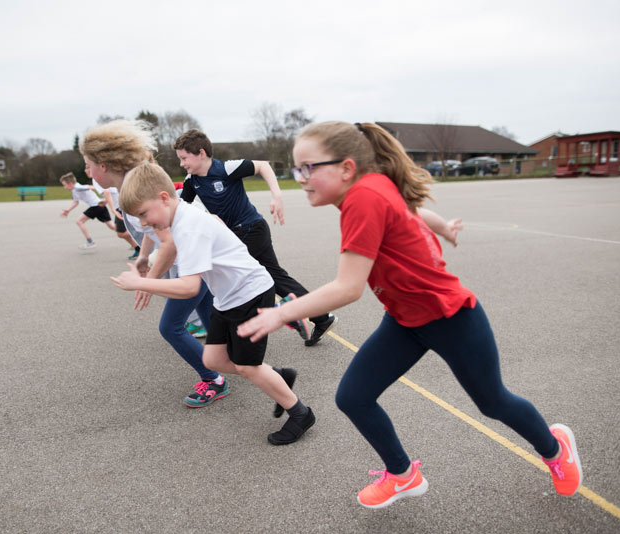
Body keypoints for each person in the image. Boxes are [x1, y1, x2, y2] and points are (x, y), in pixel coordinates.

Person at [237, 121, 582, 507]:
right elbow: (410, 211)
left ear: (347, 168)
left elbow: (348, 287)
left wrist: (281, 313)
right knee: (354, 396)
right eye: (296, 168)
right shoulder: (371, 188)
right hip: (405, 321)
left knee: (493, 402)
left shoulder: (362, 199)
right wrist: (443, 226)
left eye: (308, 168)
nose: (300, 178)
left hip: (451, 318)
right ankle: (402, 475)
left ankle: (555, 449)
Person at [112, 162, 315, 445]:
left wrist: (141, 282)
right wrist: (150, 271)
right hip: (228, 296)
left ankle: (300, 413)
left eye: (144, 214)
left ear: (163, 198)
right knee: (213, 359)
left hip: (250, 294)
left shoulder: (190, 226)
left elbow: (189, 287)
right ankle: (277, 376)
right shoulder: (180, 216)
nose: (144, 222)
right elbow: (179, 244)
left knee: (248, 366)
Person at [80, 119, 227, 407]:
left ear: (104, 164)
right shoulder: (134, 183)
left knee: (170, 327)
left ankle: (213, 378)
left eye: (88, 164)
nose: (87, 171)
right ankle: (228, 357)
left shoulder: (135, 190)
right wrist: (145, 255)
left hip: (192, 258)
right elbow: (154, 231)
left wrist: (149, 282)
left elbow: (170, 242)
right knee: (208, 310)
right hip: (199, 254)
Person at [173, 129, 335, 346]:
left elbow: (263, 165)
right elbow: (183, 209)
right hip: (237, 234)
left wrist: (277, 196)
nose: (182, 163)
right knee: (275, 278)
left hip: (251, 230)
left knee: (234, 275)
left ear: (201, 153)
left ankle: (273, 318)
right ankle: (320, 316)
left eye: (184, 158)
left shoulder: (226, 168)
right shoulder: (192, 180)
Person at [89, 167, 141, 259]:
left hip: (121, 207)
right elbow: (111, 192)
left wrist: (113, 209)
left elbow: (107, 192)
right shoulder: (105, 176)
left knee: (122, 232)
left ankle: (140, 247)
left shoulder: (95, 178)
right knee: (125, 231)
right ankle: (139, 247)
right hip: (123, 204)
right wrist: (106, 201)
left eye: (88, 166)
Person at [59, 172, 115, 250]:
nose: (64, 187)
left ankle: (90, 242)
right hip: (101, 206)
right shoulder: (74, 190)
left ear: (71, 183)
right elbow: (76, 202)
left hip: (96, 206)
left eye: (64, 185)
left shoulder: (78, 187)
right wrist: (68, 210)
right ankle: (132, 236)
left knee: (79, 221)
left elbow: (91, 187)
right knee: (112, 226)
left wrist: (105, 192)